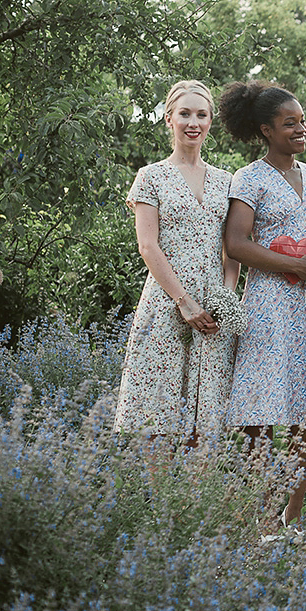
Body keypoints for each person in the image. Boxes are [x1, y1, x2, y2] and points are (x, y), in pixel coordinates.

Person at [219, 80, 306, 529]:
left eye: (303, 121)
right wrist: (288, 261)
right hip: (269, 304)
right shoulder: (248, 178)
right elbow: (235, 244)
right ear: (266, 130)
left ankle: (292, 515)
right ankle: (262, 516)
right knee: (262, 411)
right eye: (290, 123)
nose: (300, 129)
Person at [116, 80, 238, 441]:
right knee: (159, 408)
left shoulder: (225, 181)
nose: (193, 122)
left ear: (210, 121)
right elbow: (148, 246)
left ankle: (198, 496)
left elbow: (232, 246)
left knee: (208, 409)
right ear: (169, 119)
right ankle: (163, 498)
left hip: (212, 308)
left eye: (201, 115)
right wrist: (184, 302)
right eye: (184, 114)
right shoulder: (150, 177)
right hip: (168, 301)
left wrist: (224, 300)